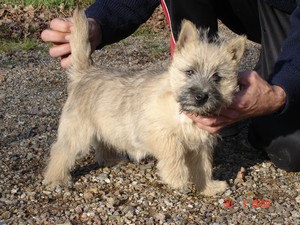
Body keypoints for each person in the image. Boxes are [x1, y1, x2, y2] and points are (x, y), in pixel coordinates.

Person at [41, 0, 300, 172]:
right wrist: (100, 21)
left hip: (288, 13)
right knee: (73, 140)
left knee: (292, 149)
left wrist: (282, 90)